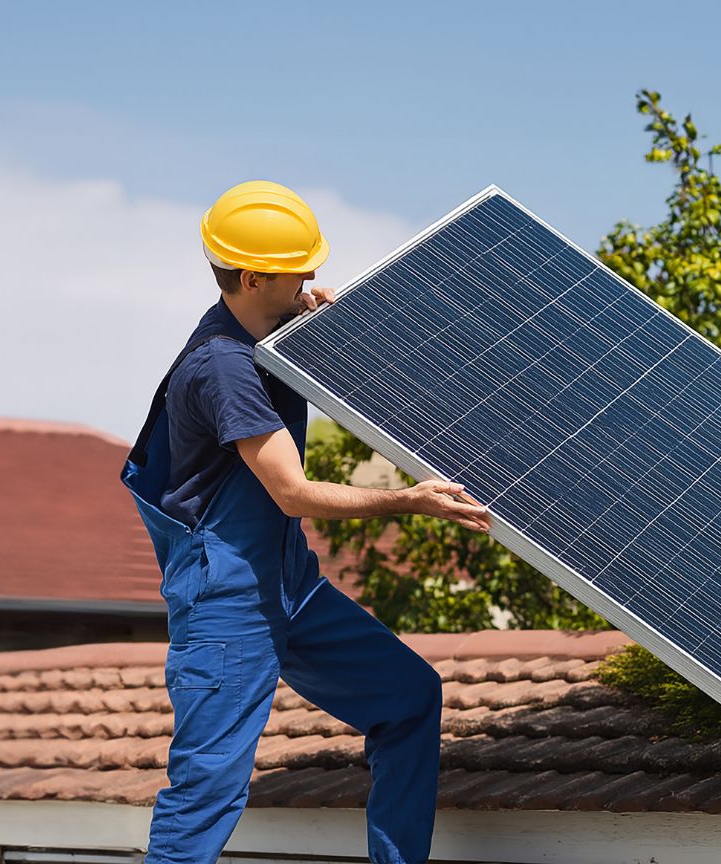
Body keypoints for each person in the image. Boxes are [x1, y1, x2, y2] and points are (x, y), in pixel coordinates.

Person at [121, 180, 491, 864]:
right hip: (227, 604)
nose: (313, 278)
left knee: (411, 697)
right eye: (300, 271)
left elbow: (292, 325)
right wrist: (408, 500)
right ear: (254, 275)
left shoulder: (264, 328)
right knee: (206, 792)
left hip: (288, 587)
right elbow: (291, 493)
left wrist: (310, 316)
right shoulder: (222, 368)